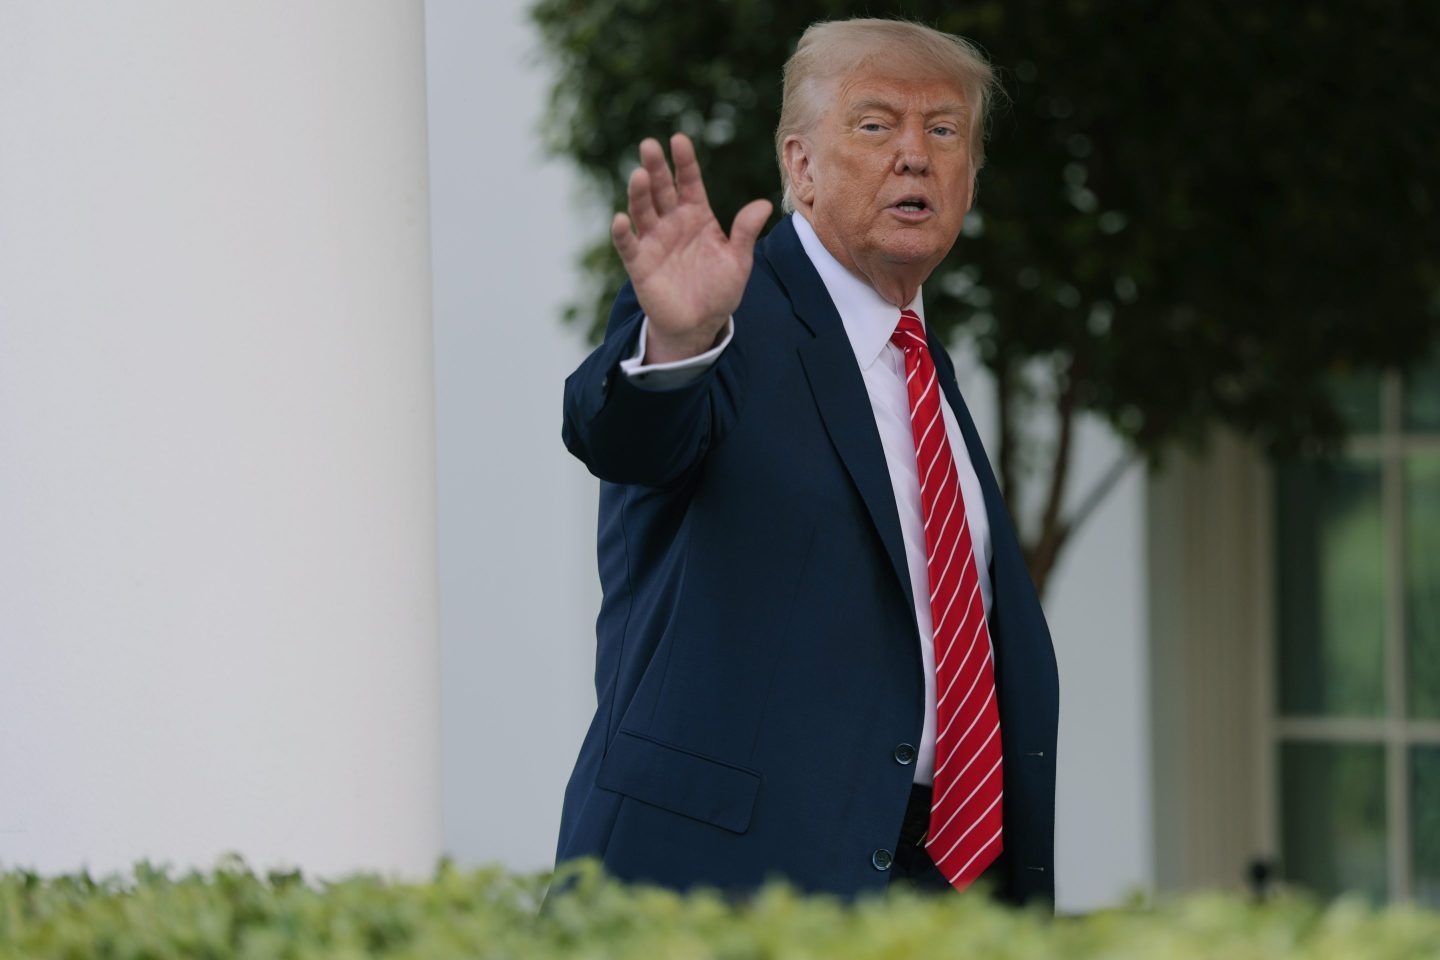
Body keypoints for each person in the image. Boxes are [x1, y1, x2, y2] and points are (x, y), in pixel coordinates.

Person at [552, 17, 1059, 908]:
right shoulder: (728, 315)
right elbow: (626, 438)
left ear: (971, 179)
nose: (914, 156)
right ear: (800, 165)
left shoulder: (922, 371)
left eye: (943, 131)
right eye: (874, 125)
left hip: (931, 889)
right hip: (723, 888)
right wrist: (676, 338)